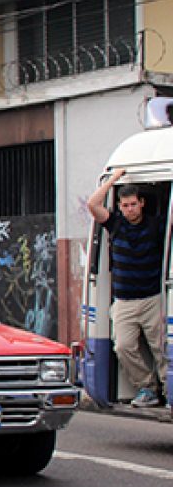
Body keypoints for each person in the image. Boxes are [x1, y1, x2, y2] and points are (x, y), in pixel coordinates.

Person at [88, 168, 167, 407]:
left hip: (152, 298)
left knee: (161, 348)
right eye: (125, 205)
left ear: (142, 203)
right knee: (123, 347)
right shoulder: (115, 224)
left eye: (133, 204)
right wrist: (112, 179)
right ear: (119, 207)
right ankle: (147, 387)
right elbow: (93, 204)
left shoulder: (156, 226)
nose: (129, 209)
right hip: (124, 301)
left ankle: (168, 388)